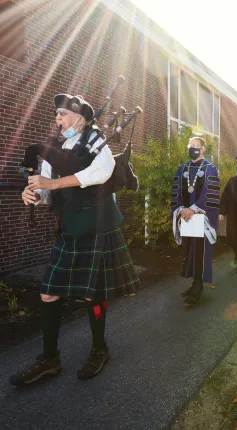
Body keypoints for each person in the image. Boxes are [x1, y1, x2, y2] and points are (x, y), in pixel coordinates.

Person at [10, 94, 140, 386]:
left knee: (92, 294)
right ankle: (49, 359)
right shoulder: (54, 148)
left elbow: (101, 172)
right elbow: (46, 192)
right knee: (47, 292)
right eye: (56, 114)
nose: (57, 119)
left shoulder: (96, 141)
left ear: (79, 118)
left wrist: (53, 183)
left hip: (98, 227)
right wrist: (33, 194)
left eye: (62, 114)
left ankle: (99, 349)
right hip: (69, 228)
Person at [171, 137, 220, 306]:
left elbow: (210, 193)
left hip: (201, 216)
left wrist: (194, 209)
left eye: (197, 146)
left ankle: (198, 286)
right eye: (191, 146)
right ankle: (194, 284)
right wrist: (180, 209)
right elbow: (176, 190)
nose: (193, 149)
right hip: (186, 216)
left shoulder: (210, 169)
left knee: (201, 251)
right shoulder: (182, 168)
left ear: (203, 149)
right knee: (190, 250)